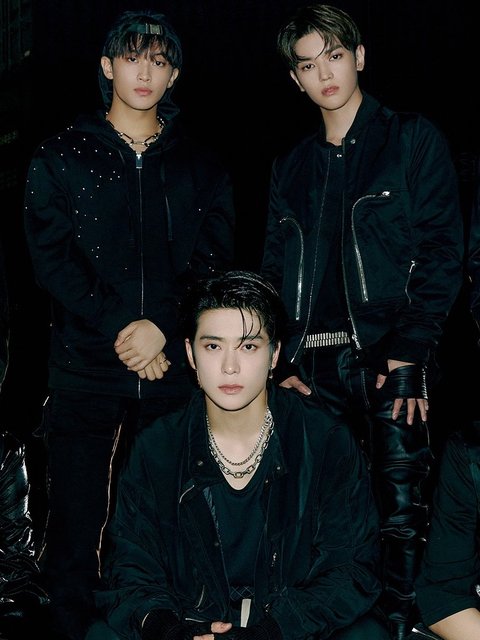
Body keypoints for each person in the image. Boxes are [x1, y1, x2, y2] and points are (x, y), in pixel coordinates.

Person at [23, 9, 235, 640]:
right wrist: (127, 327)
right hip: (85, 369)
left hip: (170, 377)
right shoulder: (61, 155)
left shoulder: (202, 166)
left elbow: (214, 262)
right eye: (133, 57)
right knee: (73, 531)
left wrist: (163, 329)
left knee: (161, 528)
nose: (145, 72)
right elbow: (52, 260)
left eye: (159, 60)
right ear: (107, 66)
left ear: (174, 75)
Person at [260, 5, 464, 639]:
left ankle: (405, 629)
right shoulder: (291, 167)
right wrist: (280, 364)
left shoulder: (410, 140)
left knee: (403, 513)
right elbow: (272, 273)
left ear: (360, 57)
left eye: (335, 56)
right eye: (308, 64)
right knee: (320, 520)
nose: (324, 73)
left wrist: (411, 350)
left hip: (386, 358)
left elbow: (442, 251)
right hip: (310, 373)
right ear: (295, 79)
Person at [89, 269, 387, 640]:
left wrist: (273, 631)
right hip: (190, 620)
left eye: (248, 347)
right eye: (213, 347)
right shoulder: (158, 447)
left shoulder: (324, 440)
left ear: (274, 354)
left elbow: (352, 568)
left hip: (290, 626)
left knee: (366, 633)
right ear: (190, 354)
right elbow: (129, 566)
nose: (230, 367)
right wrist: (167, 628)